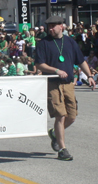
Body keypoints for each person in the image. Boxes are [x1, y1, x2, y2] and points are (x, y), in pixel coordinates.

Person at [35, 16, 96, 161]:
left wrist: (89, 76)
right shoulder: (43, 43)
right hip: (53, 83)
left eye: (53, 26)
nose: (50, 29)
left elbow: (81, 61)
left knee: (72, 117)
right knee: (60, 115)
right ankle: (62, 149)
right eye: (48, 26)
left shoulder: (70, 42)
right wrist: (56, 71)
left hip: (68, 84)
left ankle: (55, 134)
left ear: (61, 26)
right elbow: (39, 64)